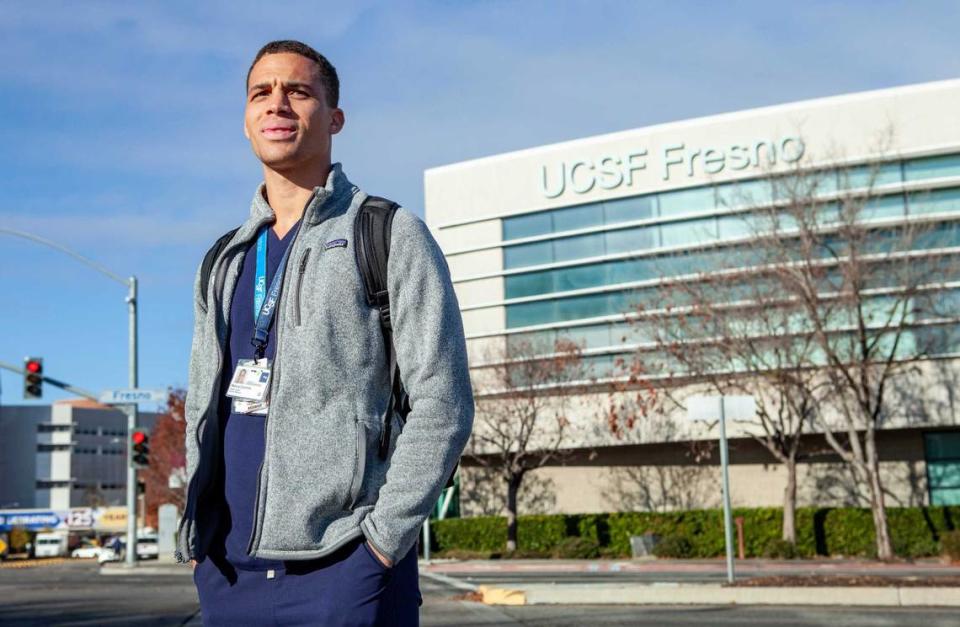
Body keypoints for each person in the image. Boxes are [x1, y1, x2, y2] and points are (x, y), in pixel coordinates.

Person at [175, 40, 474, 626]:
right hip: (228, 574)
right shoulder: (223, 260)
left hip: (346, 568)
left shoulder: (387, 232)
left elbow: (444, 401)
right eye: (261, 92)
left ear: (334, 118)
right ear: (246, 119)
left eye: (298, 91)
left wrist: (381, 544)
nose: (277, 103)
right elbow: (199, 413)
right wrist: (198, 544)